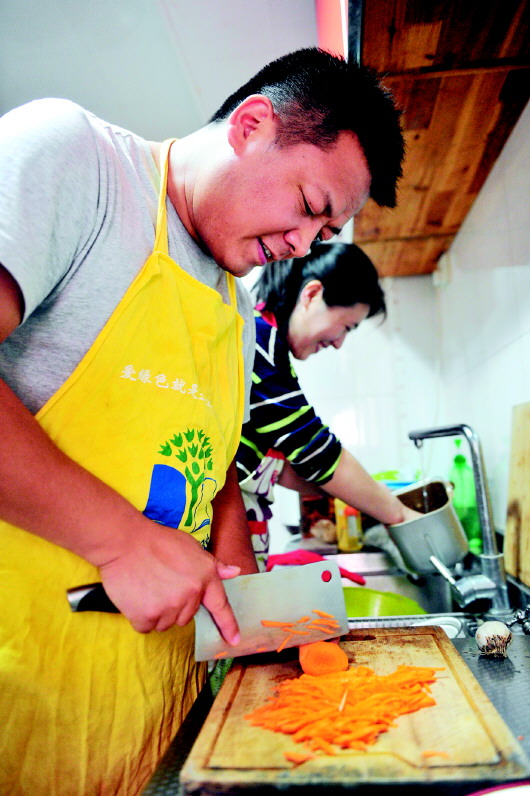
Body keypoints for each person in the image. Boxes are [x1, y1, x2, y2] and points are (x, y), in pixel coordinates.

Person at [0, 48, 404, 794]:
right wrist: (119, 541)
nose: (302, 246)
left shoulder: (235, 306)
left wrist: (239, 576)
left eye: (323, 235)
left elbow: (211, 465)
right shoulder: (78, 161)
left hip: (151, 715)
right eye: (310, 206)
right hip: (20, 697)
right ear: (252, 125)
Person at [237, 243, 419, 569]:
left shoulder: (264, 342)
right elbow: (317, 454)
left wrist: (371, 495)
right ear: (311, 295)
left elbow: (287, 465)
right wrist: (400, 515)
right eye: (346, 327)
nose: (338, 343)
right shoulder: (259, 341)